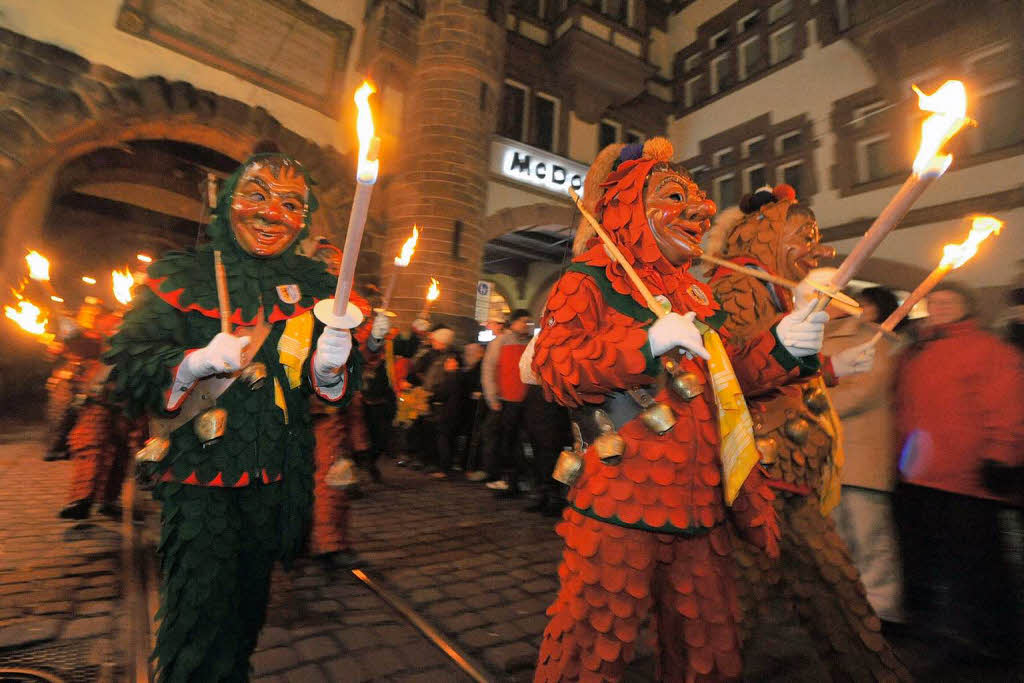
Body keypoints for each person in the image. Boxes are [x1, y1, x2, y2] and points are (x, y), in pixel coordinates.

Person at [531, 139, 830, 681]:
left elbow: (729, 380)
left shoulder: (697, 294)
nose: (702, 210)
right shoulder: (587, 281)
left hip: (702, 506)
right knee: (595, 648)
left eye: (698, 199)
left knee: (709, 651)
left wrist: (785, 344)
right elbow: (555, 368)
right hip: (619, 506)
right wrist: (647, 343)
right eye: (675, 196)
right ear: (628, 208)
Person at [105, 151, 359, 682]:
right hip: (200, 473)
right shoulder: (184, 274)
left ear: (305, 218)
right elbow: (128, 366)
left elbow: (321, 390)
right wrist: (195, 363)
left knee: (247, 611)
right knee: (197, 615)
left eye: (292, 204)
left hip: (277, 473)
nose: (273, 214)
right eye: (258, 195)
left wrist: (333, 369)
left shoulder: (313, 289)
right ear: (228, 201)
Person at [706, 185, 908, 681]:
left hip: (792, 477)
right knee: (737, 609)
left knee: (833, 591)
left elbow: (788, 376)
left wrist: (832, 367)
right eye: (805, 237)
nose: (816, 251)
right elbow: (730, 378)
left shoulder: (772, 292)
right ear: (769, 234)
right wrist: (785, 348)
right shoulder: (735, 288)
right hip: (755, 479)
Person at [893, 281, 1024, 666]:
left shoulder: (987, 349)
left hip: (965, 477)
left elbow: (1007, 405)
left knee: (978, 563)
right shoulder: (916, 350)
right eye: (934, 302)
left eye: (948, 302)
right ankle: (943, 629)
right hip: (919, 475)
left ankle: (990, 640)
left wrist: (1001, 454)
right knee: (931, 560)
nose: (939, 308)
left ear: (967, 307)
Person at [824, 287, 905, 625]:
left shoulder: (873, 339)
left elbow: (864, 391)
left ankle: (881, 605)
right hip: (828, 454)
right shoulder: (816, 337)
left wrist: (810, 408)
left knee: (868, 532)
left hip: (861, 451)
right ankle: (847, 600)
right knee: (837, 534)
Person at [481, 308, 533, 494]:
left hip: (526, 402)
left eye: (528, 322)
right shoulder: (501, 342)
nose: (526, 325)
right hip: (506, 400)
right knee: (506, 442)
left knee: (519, 442)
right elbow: (489, 370)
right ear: (513, 323)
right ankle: (507, 478)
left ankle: (517, 479)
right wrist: (492, 397)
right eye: (522, 321)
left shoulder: (530, 343)